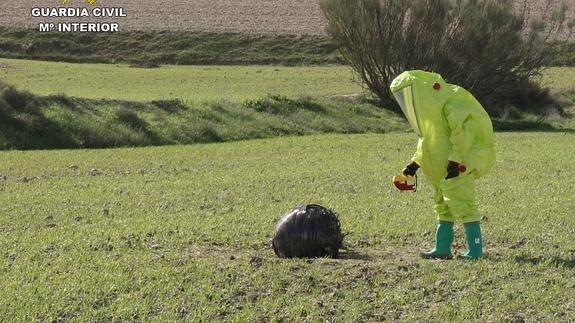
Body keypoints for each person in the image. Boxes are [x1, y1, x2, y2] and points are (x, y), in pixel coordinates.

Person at [390, 70, 495, 260]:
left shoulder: (450, 105)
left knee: (465, 205)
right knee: (443, 207)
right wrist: (415, 164)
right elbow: (428, 143)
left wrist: (455, 161)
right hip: (440, 171)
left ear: (419, 93)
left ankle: (476, 251)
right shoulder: (430, 120)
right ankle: (442, 248)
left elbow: (462, 136)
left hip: (457, 168)